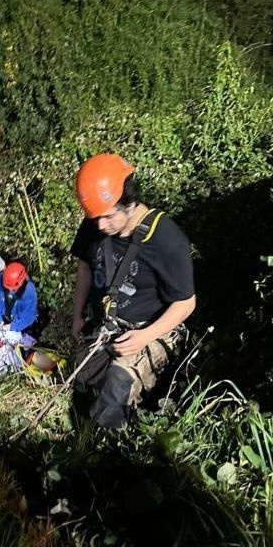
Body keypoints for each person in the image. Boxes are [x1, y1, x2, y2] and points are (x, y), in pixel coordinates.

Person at [69, 153, 196, 428]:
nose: (101, 226)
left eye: (108, 217)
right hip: (109, 325)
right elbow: (85, 267)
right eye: (95, 219)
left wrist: (145, 336)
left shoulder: (165, 238)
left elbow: (186, 303)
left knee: (116, 385)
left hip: (151, 330)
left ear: (130, 201)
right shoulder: (96, 223)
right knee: (79, 377)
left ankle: (105, 452)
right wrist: (77, 315)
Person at [0, 261, 38, 336]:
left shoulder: (29, 292)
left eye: (13, 289)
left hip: (19, 323)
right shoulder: (1, 279)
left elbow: (29, 317)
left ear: (21, 283)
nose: (9, 290)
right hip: (4, 317)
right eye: (7, 288)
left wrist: (12, 327)